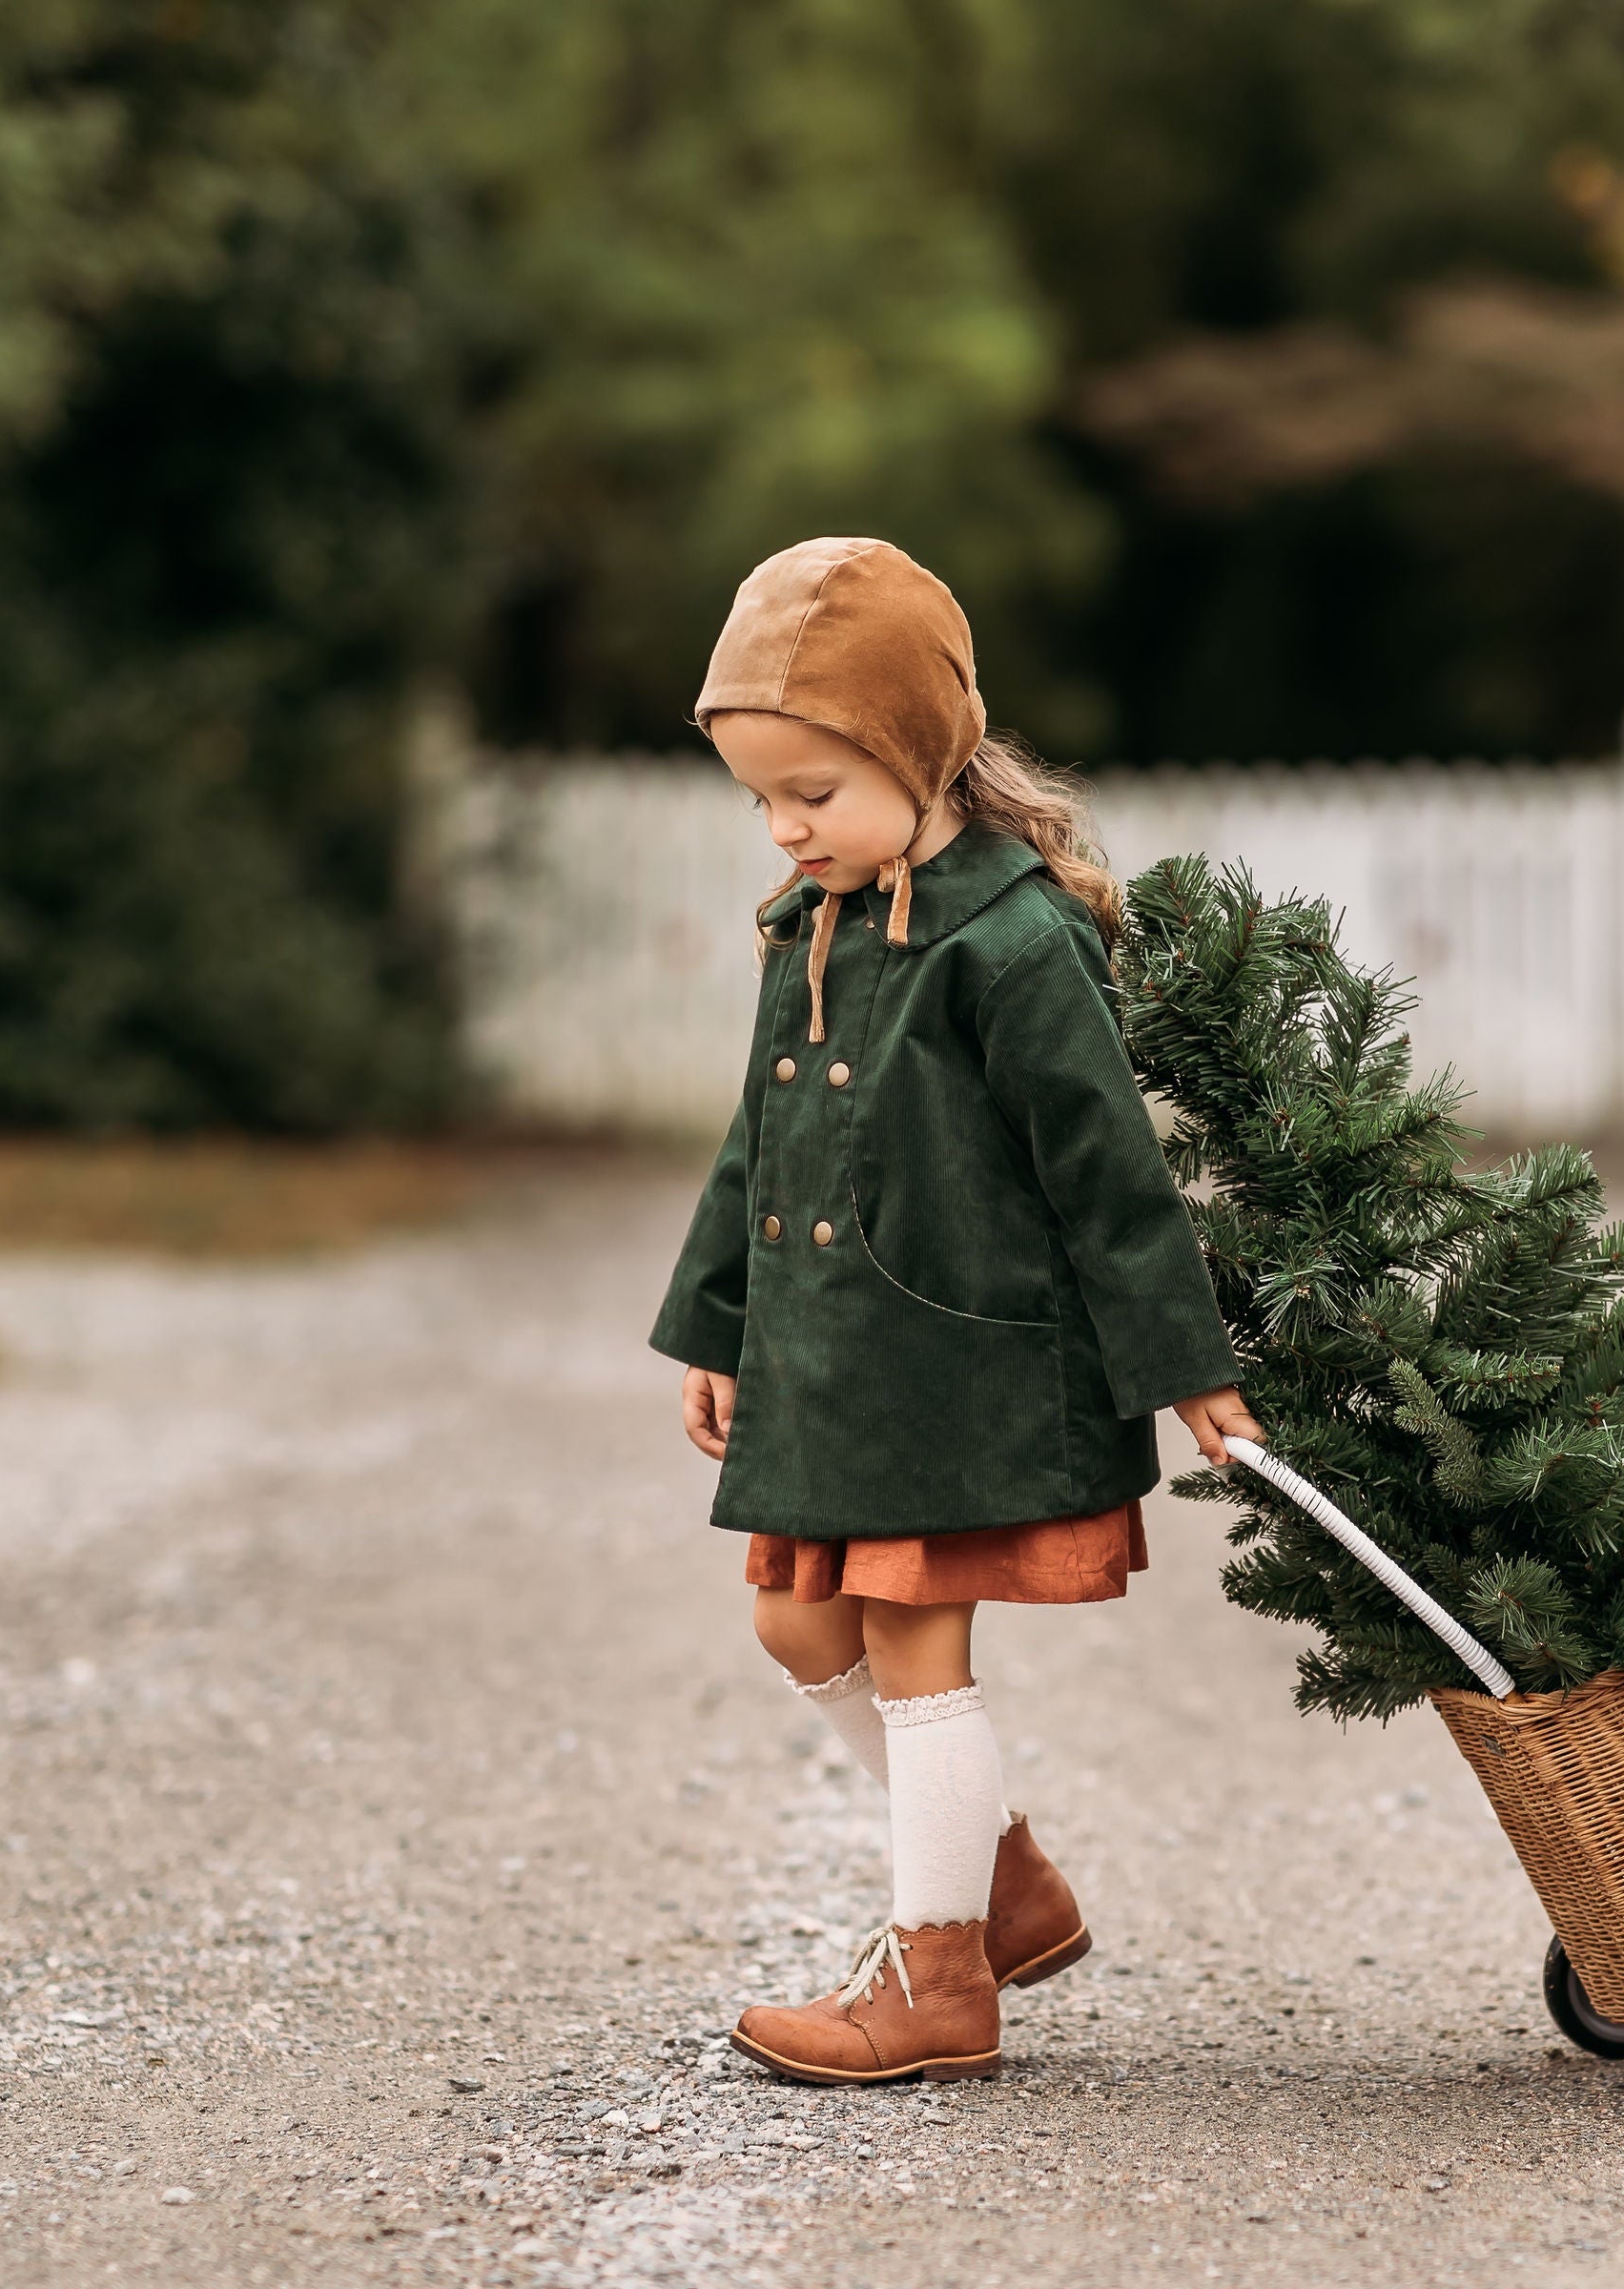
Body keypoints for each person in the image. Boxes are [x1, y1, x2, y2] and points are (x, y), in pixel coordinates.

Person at [651, 536, 1261, 2085]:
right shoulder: (813, 926)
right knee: (797, 1621)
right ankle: (1010, 1888)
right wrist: (718, 1323)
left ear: (920, 759)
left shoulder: (1011, 936)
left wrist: (1186, 1369)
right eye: (763, 800)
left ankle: (939, 1985)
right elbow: (755, 1145)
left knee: (917, 1647)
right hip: (830, 1364)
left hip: (962, 1370)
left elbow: (1106, 1172)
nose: (786, 831)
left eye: (815, 793)